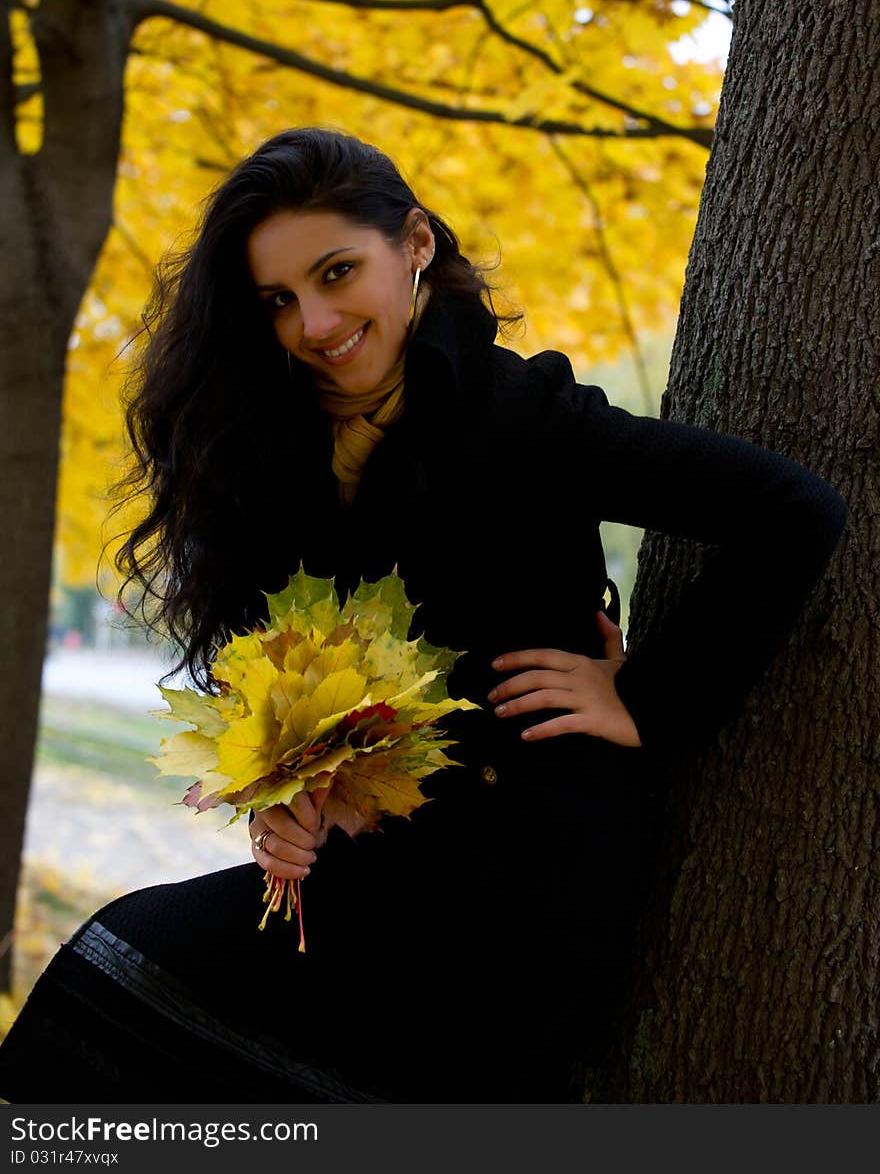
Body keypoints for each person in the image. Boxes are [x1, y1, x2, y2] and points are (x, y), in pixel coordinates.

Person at [0, 127, 848, 1103]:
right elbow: (287, 667)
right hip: (377, 869)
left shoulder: (521, 413)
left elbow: (793, 509)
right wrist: (288, 796)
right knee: (110, 978)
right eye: (279, 300)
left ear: (414, 245)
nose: (314, 323)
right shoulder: (276, 448)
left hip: (524, 884)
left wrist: (650, 698)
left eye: (336, 272)